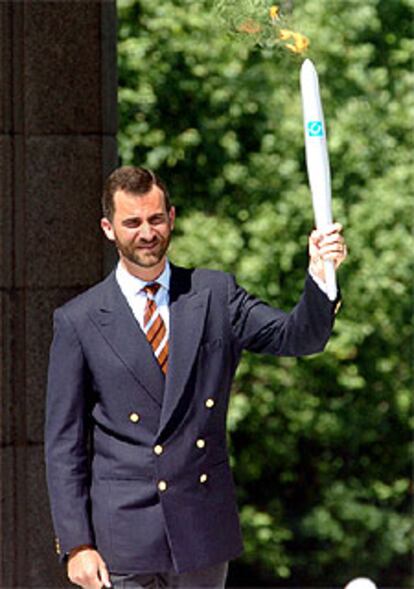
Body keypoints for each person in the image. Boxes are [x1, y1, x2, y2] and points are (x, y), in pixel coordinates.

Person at [45, 166, 347, 589]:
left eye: (155, 219)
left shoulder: (215, 294)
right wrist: (77, 544)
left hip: (201, 530)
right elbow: (65, 445)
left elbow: (299, 336)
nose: (146, 233)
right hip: (123, 540)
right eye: (132, 223)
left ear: (172, 217)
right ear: (108, 228)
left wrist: (321, 274)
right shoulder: (78, 320)